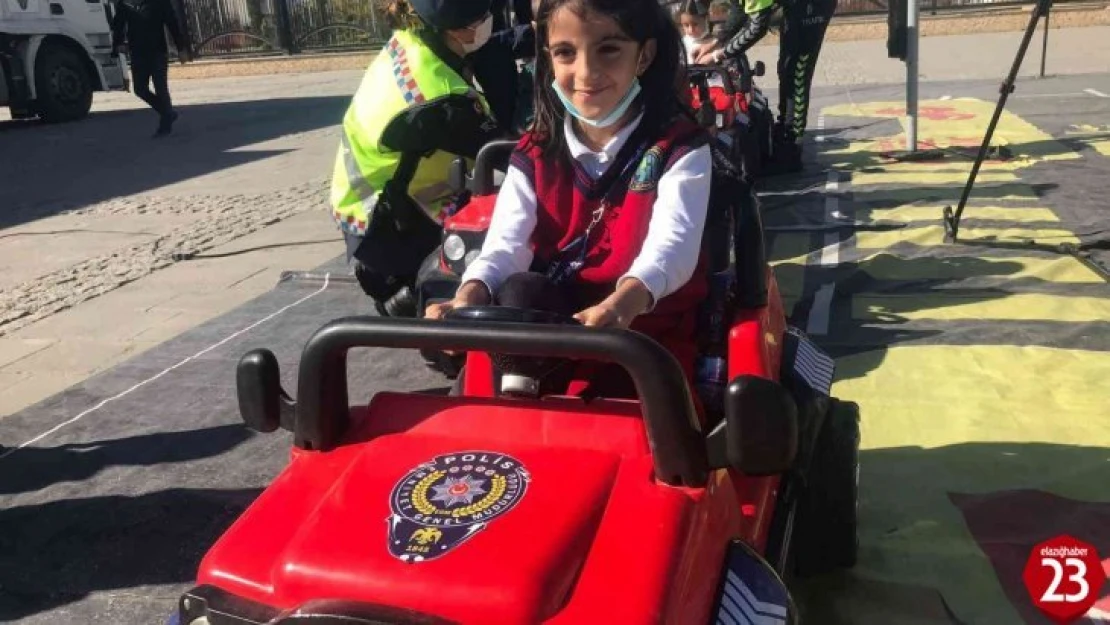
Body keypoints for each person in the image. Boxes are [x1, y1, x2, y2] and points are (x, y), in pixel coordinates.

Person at [426, 0, 714, 398]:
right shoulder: (534, 152)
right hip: (552, 332)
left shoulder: (678, 148)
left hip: (645, 333)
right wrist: (468, 294)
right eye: (566, 53)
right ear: (549, 59)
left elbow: (672, 246)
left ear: (644, 56)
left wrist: (622, 304)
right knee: (517, 292)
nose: (586, 73)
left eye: (608, 49)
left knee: (649, 429)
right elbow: (507, 244)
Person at [330, 0, 508, 317]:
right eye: (483, 15)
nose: (489, 20)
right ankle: (415, 294)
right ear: (458, 28)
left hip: (366, 203)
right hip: (388, 223)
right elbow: (503, 151)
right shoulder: (438, 100)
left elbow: (495, 46)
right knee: (503, 247)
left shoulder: (413, 42)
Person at [690, 0, 837, 172]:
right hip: (794, 6)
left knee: (797, 71)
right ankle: (784, 133)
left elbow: (757, 27)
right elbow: (740, 11)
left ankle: (791, 148)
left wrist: (717, 55)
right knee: (786, 68)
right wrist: (715, 41)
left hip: (810, 6)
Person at [110, 0, 190, 137]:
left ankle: (165, 125)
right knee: (140, 89)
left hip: (158, 52)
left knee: (161, 88)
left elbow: (172, 22)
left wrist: (181, 48)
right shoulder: (125, 3)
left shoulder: (159, 2)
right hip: (138, 53)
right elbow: (118, 25)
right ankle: (168, 112)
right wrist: (117, 45)